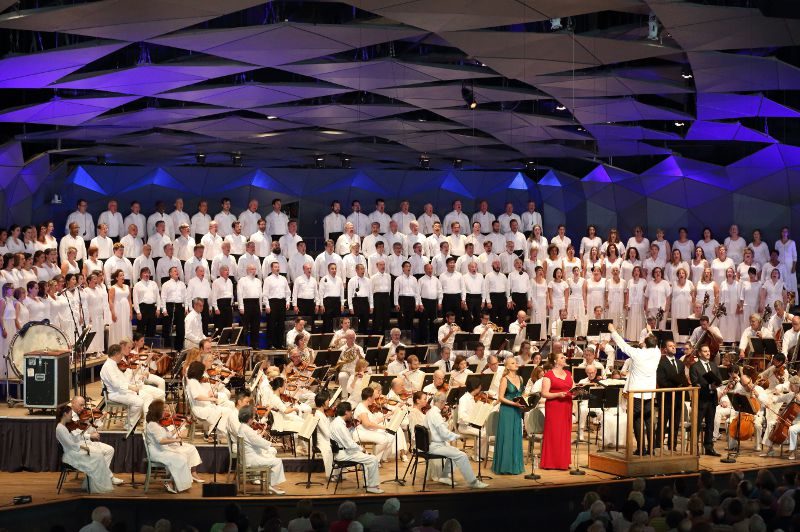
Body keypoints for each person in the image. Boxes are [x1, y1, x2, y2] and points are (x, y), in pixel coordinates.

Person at [608, 322, 661, 455]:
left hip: (636, 393)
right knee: (649, 421)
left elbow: (623, 345)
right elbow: (653, 341)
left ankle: (641, 448)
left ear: (644, 343)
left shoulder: (638, 353)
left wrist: (613, 331)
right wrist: (649, 331)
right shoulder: (657, 352)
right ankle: (652, 449)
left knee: (637, 420)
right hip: (649, 392)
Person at [425, 392, 489, 488]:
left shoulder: (431, 412)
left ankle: (445, 476)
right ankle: (473, 482)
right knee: (462, 455)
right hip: (435, 445)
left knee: (456, 451)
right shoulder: (435, 414)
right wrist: (457, 436)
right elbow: (444, 434)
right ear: (442, 402)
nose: (445, 405)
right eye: (445, 402)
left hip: (433, 443)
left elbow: (440, 430)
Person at [144, 400, 203, 493]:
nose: (166, 412)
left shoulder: (157, 424)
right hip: (157, 452)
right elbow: (161, 441)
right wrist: (176, 440)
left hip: (161, 450)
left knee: (183, 457)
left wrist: (181, 425)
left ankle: (172, 482)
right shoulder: (152, 425)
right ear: (158, 411)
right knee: (180, 458)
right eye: (163, 410)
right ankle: (171, 482)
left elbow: (168, 435)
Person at [55, 404, 114, 494]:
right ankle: (96, 485)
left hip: (73, 451)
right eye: (70, 413)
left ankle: (95, 483)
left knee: (98, 455)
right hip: (70, 454)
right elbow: (70, 444)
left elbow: (73, 440)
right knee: (97, 457)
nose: (71, 416)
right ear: (65, 414)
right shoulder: (60, 428)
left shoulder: (63, 426)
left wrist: (81, 434)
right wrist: (83, 447)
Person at [329, 402, 384, 494]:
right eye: (351, 411)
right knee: (373, 459)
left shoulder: (337, 422)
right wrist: (361, 449)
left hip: (343, 451)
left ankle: (367, 483)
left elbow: (346, 438)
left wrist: (352, 428)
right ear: (346, 412)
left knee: (367, 457)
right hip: (343, 454)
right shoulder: (339, 425)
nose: (351, 414)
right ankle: (372, 486)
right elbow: (349, 444)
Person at [237, 406, 287, 494]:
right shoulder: (247, 430)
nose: (254, 418)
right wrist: (275, 444)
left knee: (271, 454)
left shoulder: (242, 427)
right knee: (277, 461)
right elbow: (259, 442)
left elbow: (254, 439)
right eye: (253, 416)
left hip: (248, 457)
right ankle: (271, 485)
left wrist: (260, 433)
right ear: (249, 418)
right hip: (251, 459)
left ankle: (270, 483)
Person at [540, 351, 574, 470]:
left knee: (564, 434)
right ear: (555, 361)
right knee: (554, 434)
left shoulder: (569, 373)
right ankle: (551, 462)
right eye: (562, 357)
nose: (564, 358)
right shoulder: (549, 375)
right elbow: (544, 393)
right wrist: (558, 394)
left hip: (567, 406)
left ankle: (563, 462)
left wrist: (577, 392)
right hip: (554, 406)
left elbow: (572, 389)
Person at [491, 357, 524, 475]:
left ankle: (515, 466)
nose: (516, 364)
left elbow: (521, 394)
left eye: (516, 362)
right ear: (507, 366)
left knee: (516, 436)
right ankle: (505, 466)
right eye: (513, 363)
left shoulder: (520, 378)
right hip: (507, 410)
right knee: (507, 437)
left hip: (517, 411)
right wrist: (514, 403)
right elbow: (500, 397)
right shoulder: (504, 379)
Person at [690, 344, 722, 456]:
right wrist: (709, 386)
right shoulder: (695, 367)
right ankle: (694, 449)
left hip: (712, 399)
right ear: (699, 353)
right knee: (697, 425)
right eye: (705, 351)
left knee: (710, 425)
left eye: (708, 351)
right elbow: (695, 383)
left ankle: (709, 447)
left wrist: (717, 385)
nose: (708, 353)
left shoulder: (713, 365)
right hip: (701, 400)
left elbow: (719, 379)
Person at [656, 340, 687, 450]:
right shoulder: (661, 363)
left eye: (674, 346)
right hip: (666, 397)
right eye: (670, 346)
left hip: (678, 397)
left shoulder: (680, 363)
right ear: (665, 349)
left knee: (675, 422)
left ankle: (672, 445)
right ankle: (658, 445)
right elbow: (661, 381)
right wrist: (675, 386)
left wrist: (682, 385)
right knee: (663, 422)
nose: (673, 348)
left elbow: (683, 378)